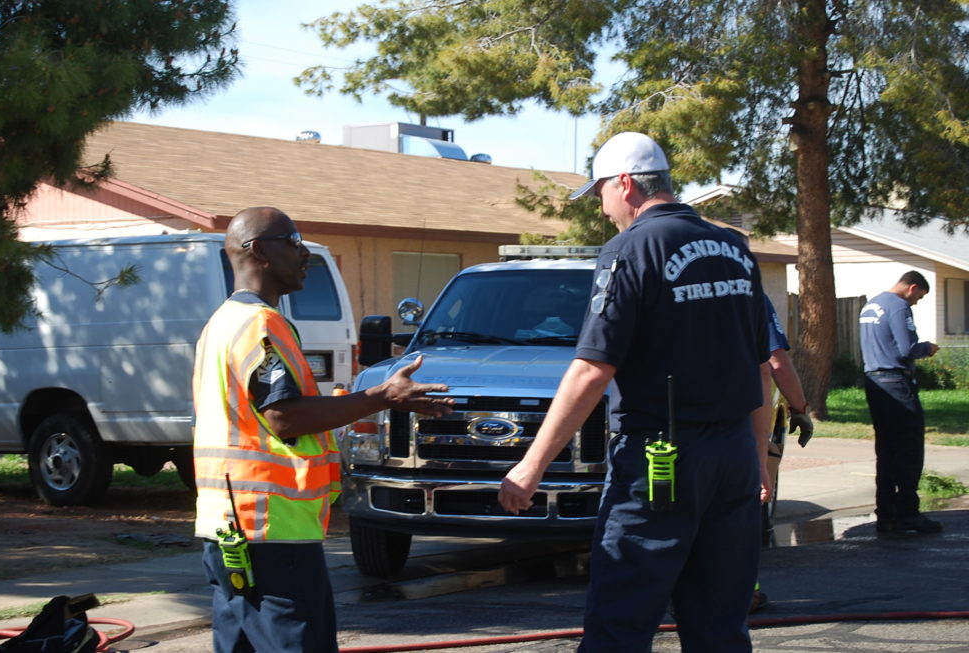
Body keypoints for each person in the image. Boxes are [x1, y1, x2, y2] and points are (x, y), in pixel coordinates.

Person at [498, 132, 769, 652]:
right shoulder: (735, 250)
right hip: (732, 456)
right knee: (720, 621)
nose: (602, 210)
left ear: (625, 184)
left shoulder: (631, 249)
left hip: (660, 459)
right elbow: (763, 367)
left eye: (601, 192)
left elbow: (591, 370)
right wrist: (758, 459)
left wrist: (530, 467)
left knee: (621, 618)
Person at [192, 206, 454, 653]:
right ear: (259, 251)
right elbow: (285, 417)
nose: (304, 255)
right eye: (293, 242)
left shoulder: (221, 324)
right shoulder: (259, 325)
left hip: (228, 525)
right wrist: (381, 396)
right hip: (272, 529)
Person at [859, 271, 942, 535]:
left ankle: (886, 513)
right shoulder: (898, 306)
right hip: (896, 382)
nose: (916, 302)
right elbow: (907, 349)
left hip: (874, 381)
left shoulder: (872, 304)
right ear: (912, 287)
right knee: (908, 448)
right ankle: (908, 512)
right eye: (919, 296)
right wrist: (927, 348)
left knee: (886, 450)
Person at [749, 292, 813, 612]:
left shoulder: (655, 281)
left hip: (664, 428)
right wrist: (799, 408)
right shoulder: (745, 289)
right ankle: (743, 590)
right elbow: (774, 364)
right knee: (738, 509)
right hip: (735, 425)